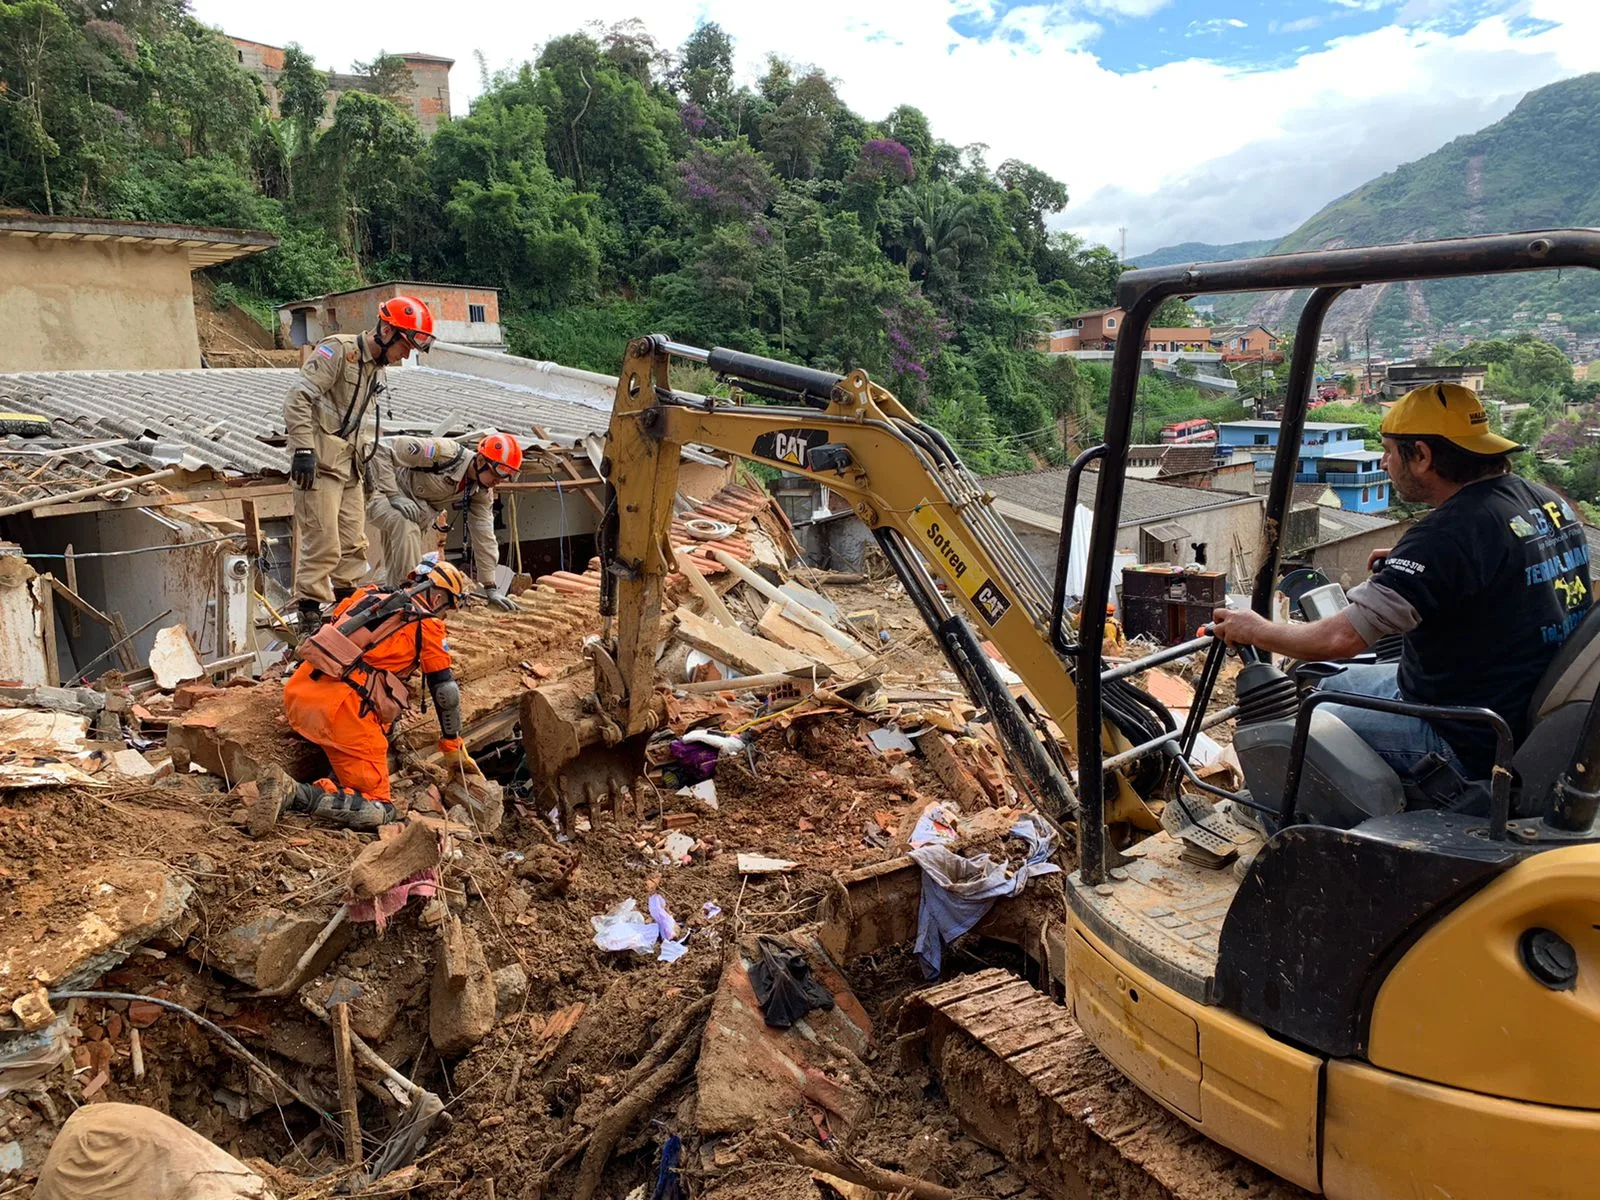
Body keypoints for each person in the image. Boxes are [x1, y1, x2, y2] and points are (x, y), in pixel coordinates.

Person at [1211, 382, 1592, 786]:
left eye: (1390, 450)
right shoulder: (1543, 499)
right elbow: (1496, 566)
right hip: (1515, 703)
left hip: (1465, 736)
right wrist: (1411, 565)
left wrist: (1255, 629)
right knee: (1331, 680)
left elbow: (1341, 640)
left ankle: (1293, 830)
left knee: (1299, 731)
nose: (1384, 461)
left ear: (1422, 456)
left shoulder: (1446, 536)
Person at [248, 558, 481, 834]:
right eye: (448, 608)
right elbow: (445, 691)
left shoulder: (365, 594)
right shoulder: (427, 624)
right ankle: (295, 792)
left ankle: (337, 774)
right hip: (342, 713)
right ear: (439, 596)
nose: (444, 616)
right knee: (380, 807)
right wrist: (452, 746)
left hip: (300, 694)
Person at [284, 295, 436, 633]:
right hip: (320, 464)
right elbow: (298, 396)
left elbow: (361, 423)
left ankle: (347, 610)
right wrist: (303, 451)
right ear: (386, 330)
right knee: (323, 542)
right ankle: (309, 615)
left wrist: (367, 467)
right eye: (405, 344)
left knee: (354, 544)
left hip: (349, 466)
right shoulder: (337, 351)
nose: (406, 354)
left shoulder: (376, 371)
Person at [366, 432, 523, 608]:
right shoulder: (444, 453)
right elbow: (380, 447)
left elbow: (484, 535)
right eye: (497, 474)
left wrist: (490, 587)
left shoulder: (480, 491)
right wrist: (394, 495)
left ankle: (390, 604)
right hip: (383, 497)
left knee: (394, 575)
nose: (499, 481)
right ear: (480, 461)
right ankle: (411, 596)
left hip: (414, 516)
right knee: (406, 530)